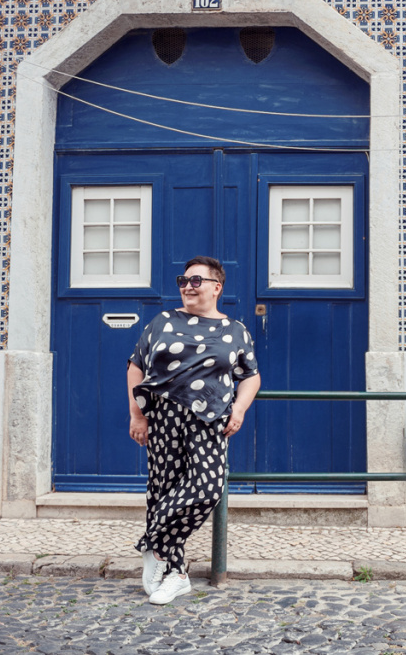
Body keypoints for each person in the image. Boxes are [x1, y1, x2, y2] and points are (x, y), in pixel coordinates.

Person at [127, 255, 261, 605]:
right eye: (183, 281)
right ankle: (176, 575)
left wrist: (239, 409)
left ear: (217, 287)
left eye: (196, 280)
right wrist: (137, 416)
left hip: (209, 419)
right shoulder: (163, 321)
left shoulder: (236, 330)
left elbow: (250, 376)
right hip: (164, 416)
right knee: (164, 488)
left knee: (208, 485)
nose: (188, 286)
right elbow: (136, 367)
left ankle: (154, 544)